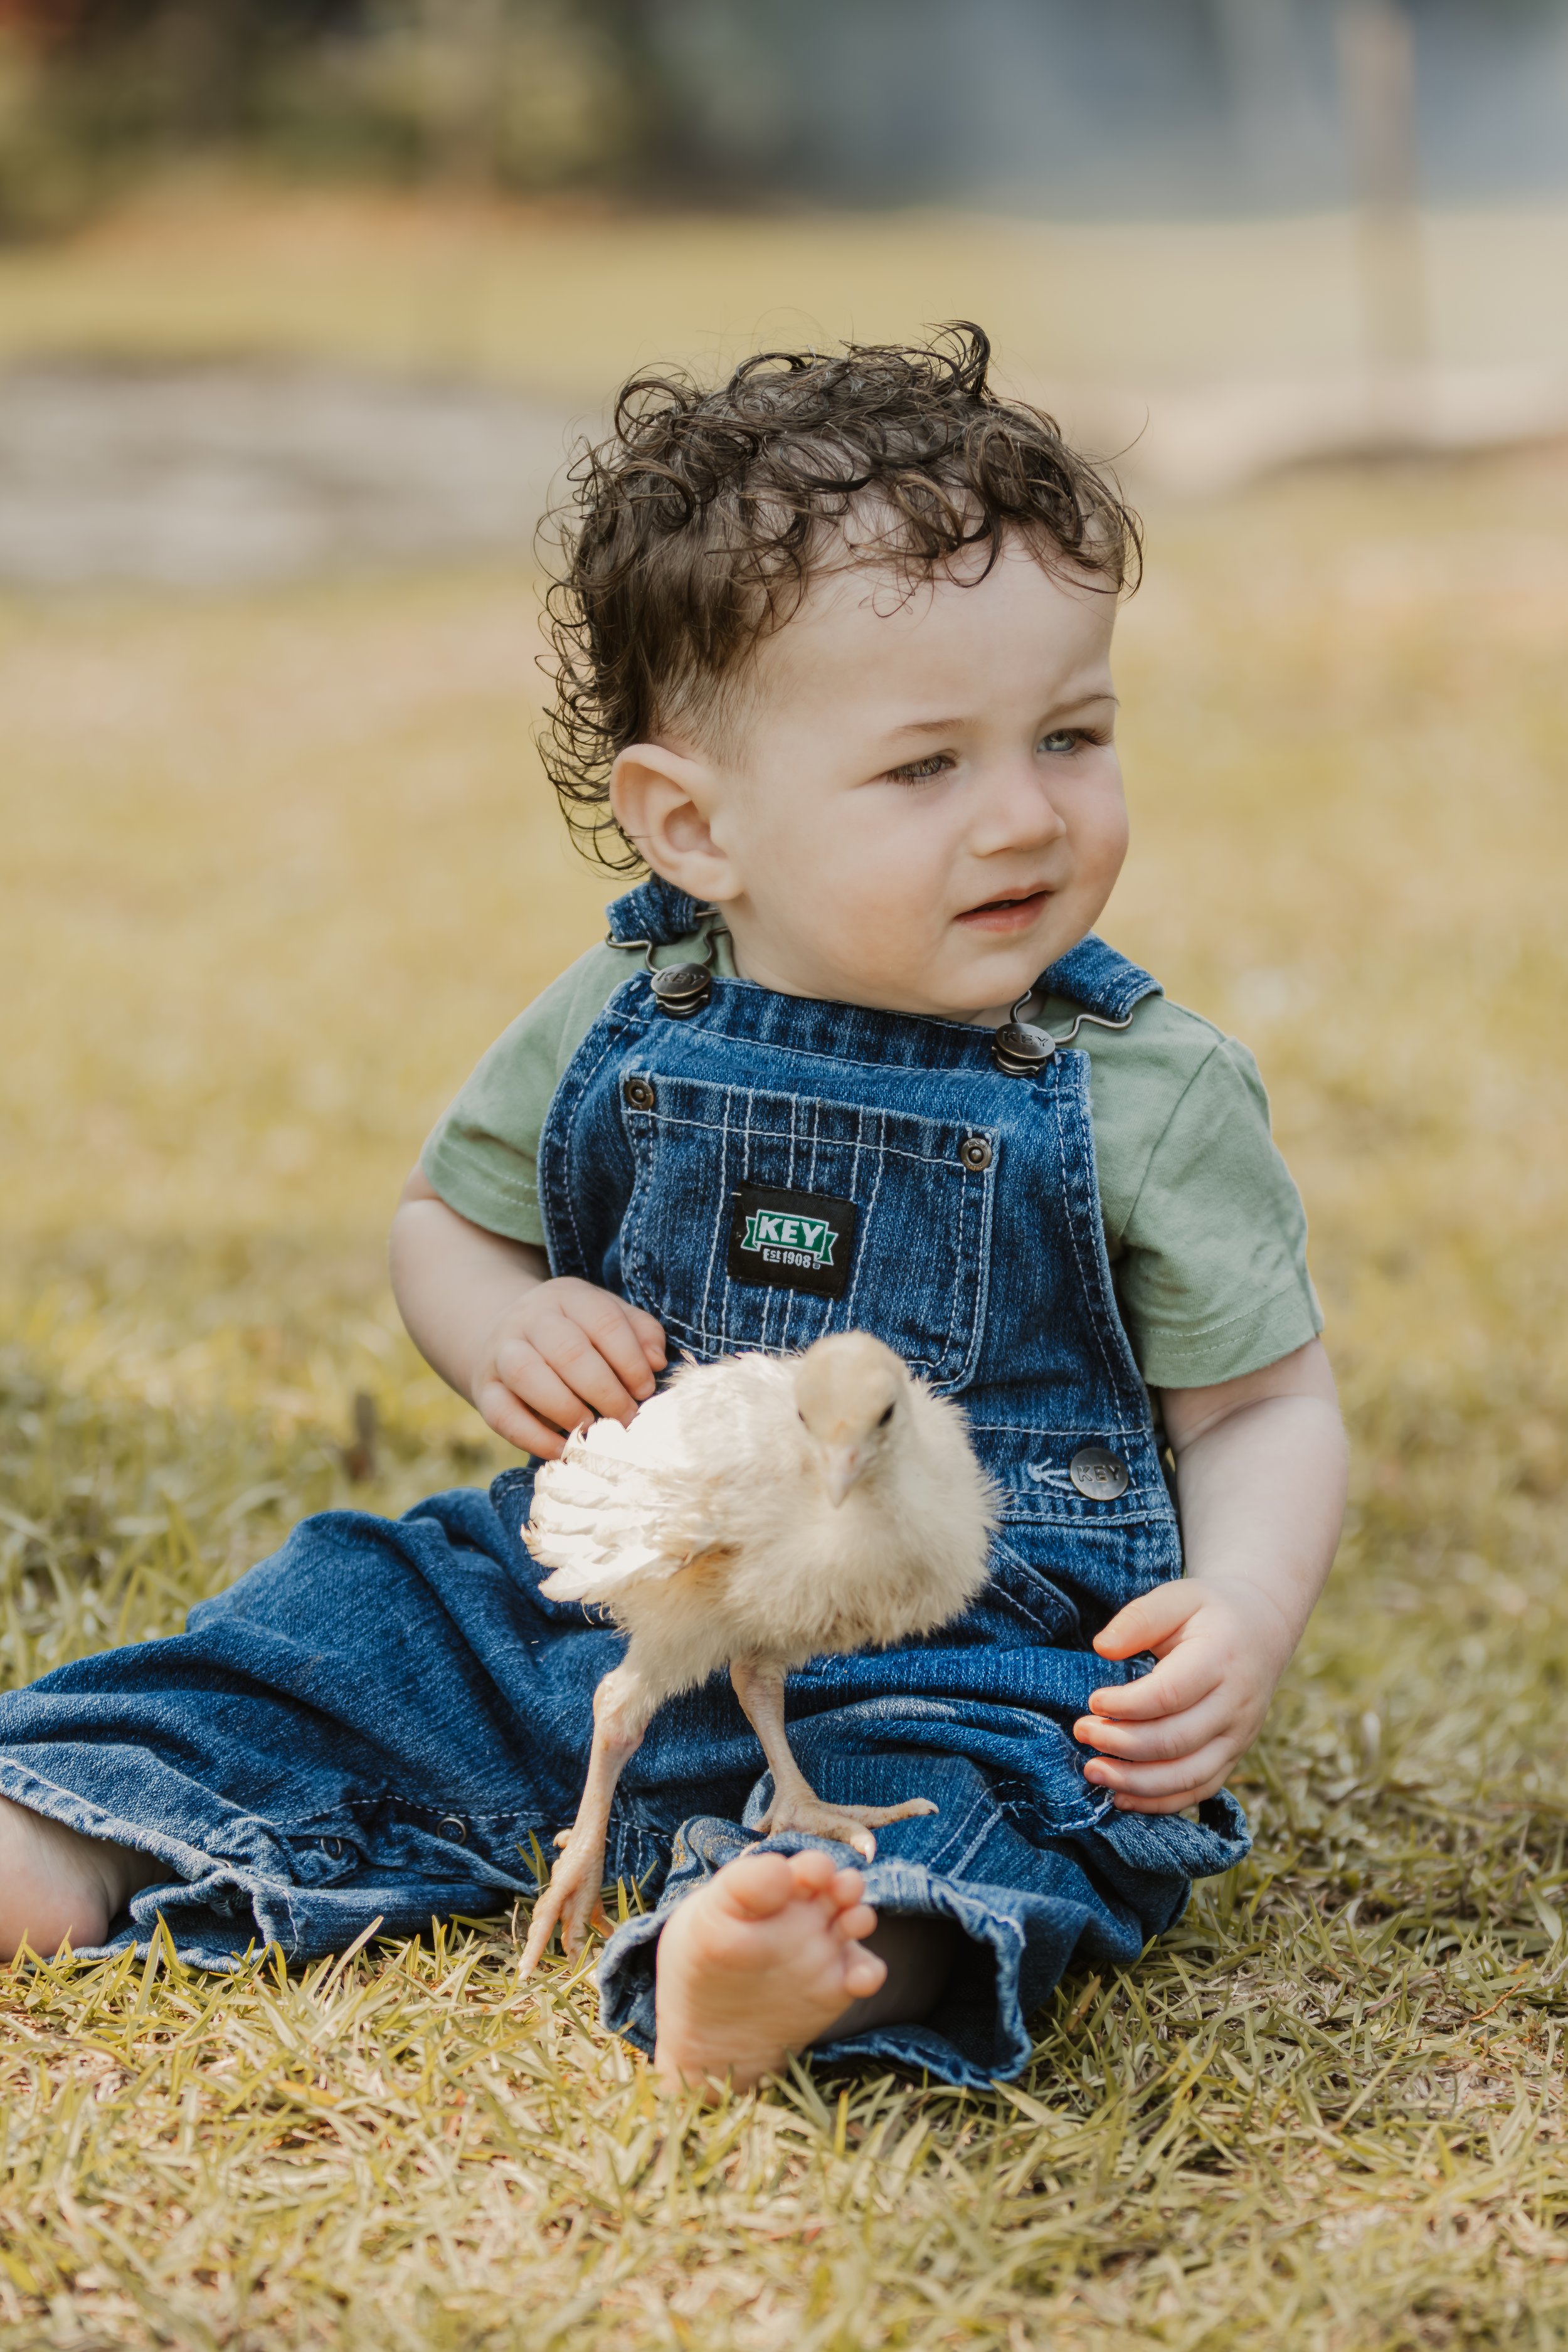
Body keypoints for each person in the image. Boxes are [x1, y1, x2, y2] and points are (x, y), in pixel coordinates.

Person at [0, 327, 1347, 2094]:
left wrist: (1241, 1602)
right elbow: (448, 1217)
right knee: (355, 1625)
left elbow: (1261, 1405)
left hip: (959, 1642)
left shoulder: (1145, 1092)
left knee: (1012, 1796)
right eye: (925, 767)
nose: (1026, 816)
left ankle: (799, 1954)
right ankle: (69, 1829)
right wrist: (505, 1321)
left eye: (1070, 736)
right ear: (693, 827)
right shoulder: (626, 1019)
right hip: (615, 1592)